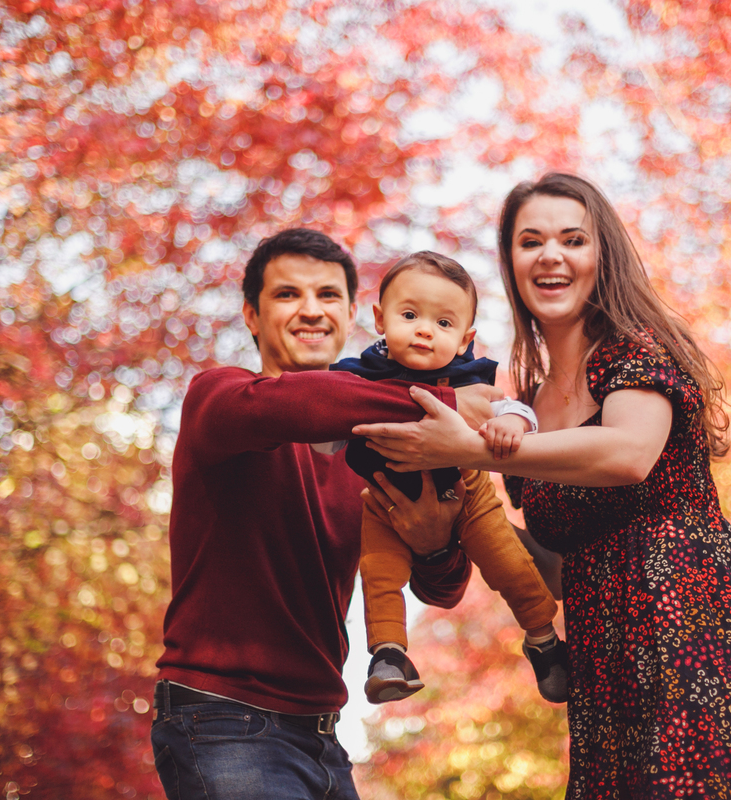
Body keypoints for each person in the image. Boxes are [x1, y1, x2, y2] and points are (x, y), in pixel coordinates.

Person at [353, 174, 731, 798]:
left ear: (603, 257)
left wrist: (469, 449)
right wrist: (439, 536)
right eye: (531, 241)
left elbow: (629, 454)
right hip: (603, 659)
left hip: (695, 631)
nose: (551, 254)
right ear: (512, 262)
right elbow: (544, 557)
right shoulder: (527, 407)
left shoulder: (632, 351)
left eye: (573, 239)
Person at [150, 228, 494, 800]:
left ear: (358, 314)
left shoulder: (379, 447)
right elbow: (299, 401)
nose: (311, 310)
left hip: (323, 734)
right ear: (252, 317)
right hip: (222, 719)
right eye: (287, 295)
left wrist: (434, 544)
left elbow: (445, 589)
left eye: (329, 295)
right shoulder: (219, 399)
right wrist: (449, 402)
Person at [320, 250, 568, 705]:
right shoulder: (358, 376)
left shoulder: (466, 378)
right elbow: (322, 425)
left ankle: (543, 639)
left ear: (464, 339)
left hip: (467, 492)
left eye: (444, 324)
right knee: (378, 574)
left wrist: (510, 425)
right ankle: (388, 655)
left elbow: (512, 408)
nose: (423, 329)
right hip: (382, 497)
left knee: (509, 563)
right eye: (409, 314)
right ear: (379, 318)